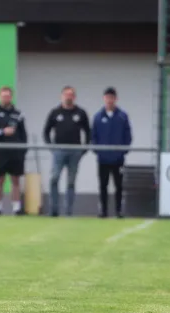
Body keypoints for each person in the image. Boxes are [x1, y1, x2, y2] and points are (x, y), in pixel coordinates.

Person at [43, 86, 91, 217]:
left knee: (71, 181)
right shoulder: (55, 112)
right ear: (61, 96)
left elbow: (88, 131)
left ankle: (69, 211)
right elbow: (46, 131)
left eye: (71, 95)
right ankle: (54, 210)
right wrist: (51, 147)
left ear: (74, 97)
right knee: (54, 178)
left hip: (75, 151)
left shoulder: (80, 113)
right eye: (66, 94)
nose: (68, 97)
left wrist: (84, 149)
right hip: (59, 150)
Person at [0, 86, 28, 216]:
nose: (6, 98)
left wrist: (23, 150)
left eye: (8, 96)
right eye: (3, 96)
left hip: (16, 152)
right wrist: (2, 132)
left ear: (11, 97)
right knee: (0, 179)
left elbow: (24, 134)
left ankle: (16, 208)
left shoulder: (18, 114)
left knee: (15, 179)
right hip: (0, 151)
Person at [92, 87, 132, 218]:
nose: (109, 100)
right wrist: (98, 151)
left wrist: (123, 151)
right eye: (107, 98)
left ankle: (119, 211)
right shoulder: (98, 117)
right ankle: (103, 211)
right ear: (104, 99)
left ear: (115, 99)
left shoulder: (122, 116)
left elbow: (128, 135)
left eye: (112, 98)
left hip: (118, 159)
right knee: (103, 185)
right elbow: (94, 137)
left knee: (119, 186)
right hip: (103, 159)